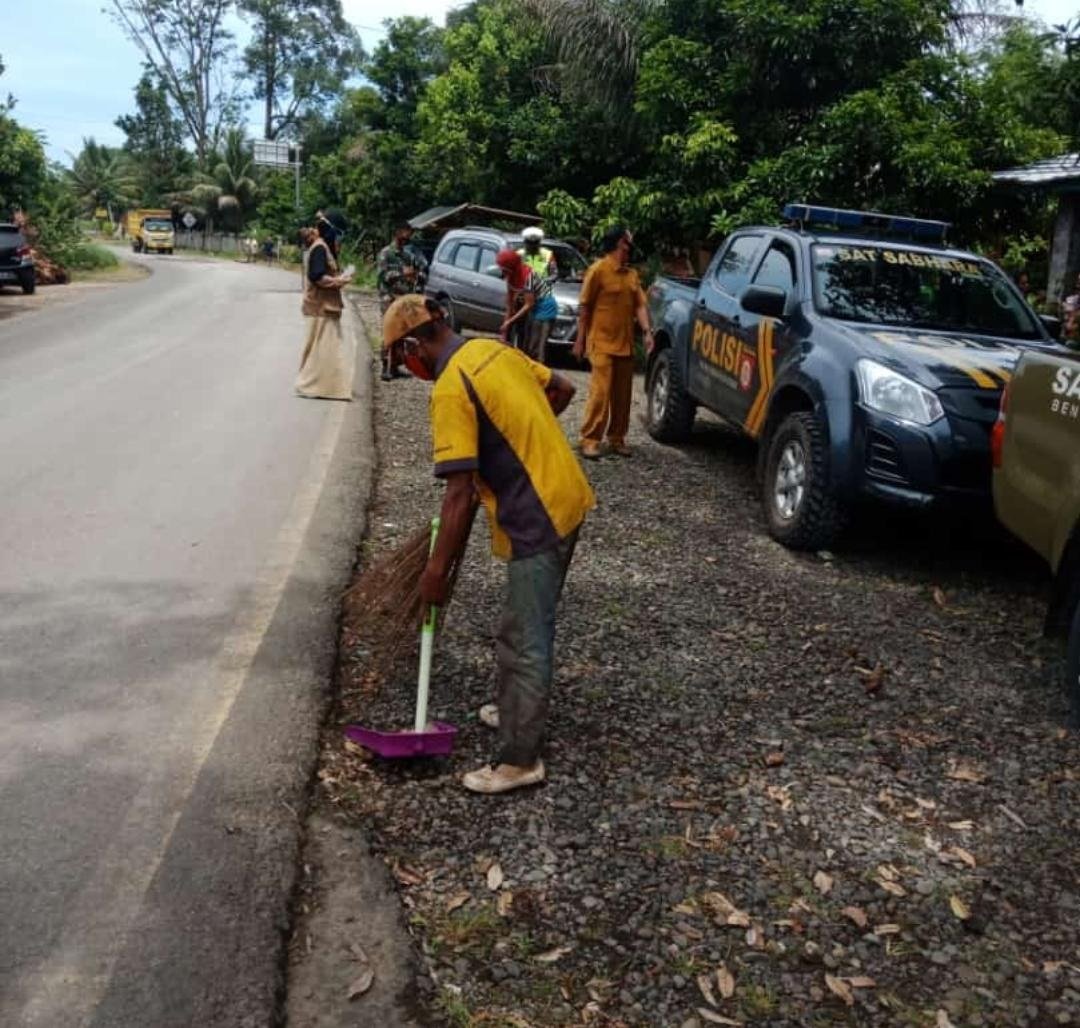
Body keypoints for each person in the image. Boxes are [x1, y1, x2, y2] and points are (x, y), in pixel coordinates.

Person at [382, 294, 595, 794]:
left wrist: (435, 573)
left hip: (537, 518)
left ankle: (520, 760)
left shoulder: (450, 390)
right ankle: (515, 708)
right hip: (567, 495)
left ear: (415, 344)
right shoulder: (493, 351)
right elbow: (561, 389)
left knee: (525, 640)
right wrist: (522, 438)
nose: (405, 367)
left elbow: (458, 494)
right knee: (518, 623)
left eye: (399, 356)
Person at [573, 225, 654, 459]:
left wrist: (647, 332)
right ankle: (589, 439)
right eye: (628, 240)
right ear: (620, 243)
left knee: (622, 396)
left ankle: (617, 438)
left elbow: (640, 305)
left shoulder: (631, 275)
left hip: (625, 344)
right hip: (601, 342)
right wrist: (580, 340)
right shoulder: (598, 270)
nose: (631, 244)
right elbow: (585, 307)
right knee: (600, 394)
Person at [296, 213, 353, 401]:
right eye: (338, 234)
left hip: (323, 306)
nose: (339, 239)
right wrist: (339, 281)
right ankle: (316, 386)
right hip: (321, 306)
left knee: (320, 350)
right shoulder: (320, 248)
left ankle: (316, 385)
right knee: (325, 350)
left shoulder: (321, 247)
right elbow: (317, 276)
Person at [377, 221, 429, 381]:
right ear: (397, 232)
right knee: (390, 330)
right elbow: (383, 277)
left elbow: (421, 273)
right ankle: (386, 365)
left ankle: (396, 365)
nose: (408, 236)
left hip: (405, 298)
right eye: (406, 232)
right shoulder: (386, 253)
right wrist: (402, 273)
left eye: (410, 233)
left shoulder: (409, 256)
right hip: (390, 297)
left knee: (402, 332)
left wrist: (418, 277)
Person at [496, 248, 559, 364]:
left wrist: (509, 322)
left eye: (504, 270)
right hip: (533, 309)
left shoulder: (527, 275)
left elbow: (529, 304)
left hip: (545, 310)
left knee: (535, 350)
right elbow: (510, 305)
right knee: (522, 345)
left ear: (511, 267)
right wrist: (504, 332)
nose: (502, 273)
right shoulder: (511, 277)